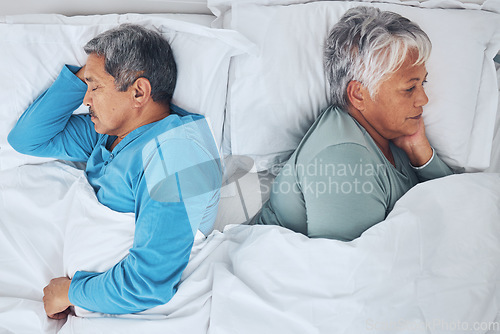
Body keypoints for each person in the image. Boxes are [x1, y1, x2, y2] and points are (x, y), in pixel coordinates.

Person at [8, 24, 222, 319]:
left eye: (94, 87)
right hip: (97, 301)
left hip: (142, 313)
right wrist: (84, 75)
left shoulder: (176, 156)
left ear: (138, 92)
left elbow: (148, 283)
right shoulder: (109, 134)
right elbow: (28, 138)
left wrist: (70, 292)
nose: (85, 100)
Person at [252, 6, 453, 241]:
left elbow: (454, 206)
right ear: (359, 94)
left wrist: (422, 155)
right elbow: (347, 271)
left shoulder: (387, 135)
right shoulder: (344, 158)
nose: (424, 99)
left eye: (423, 84)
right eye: (409, 88)